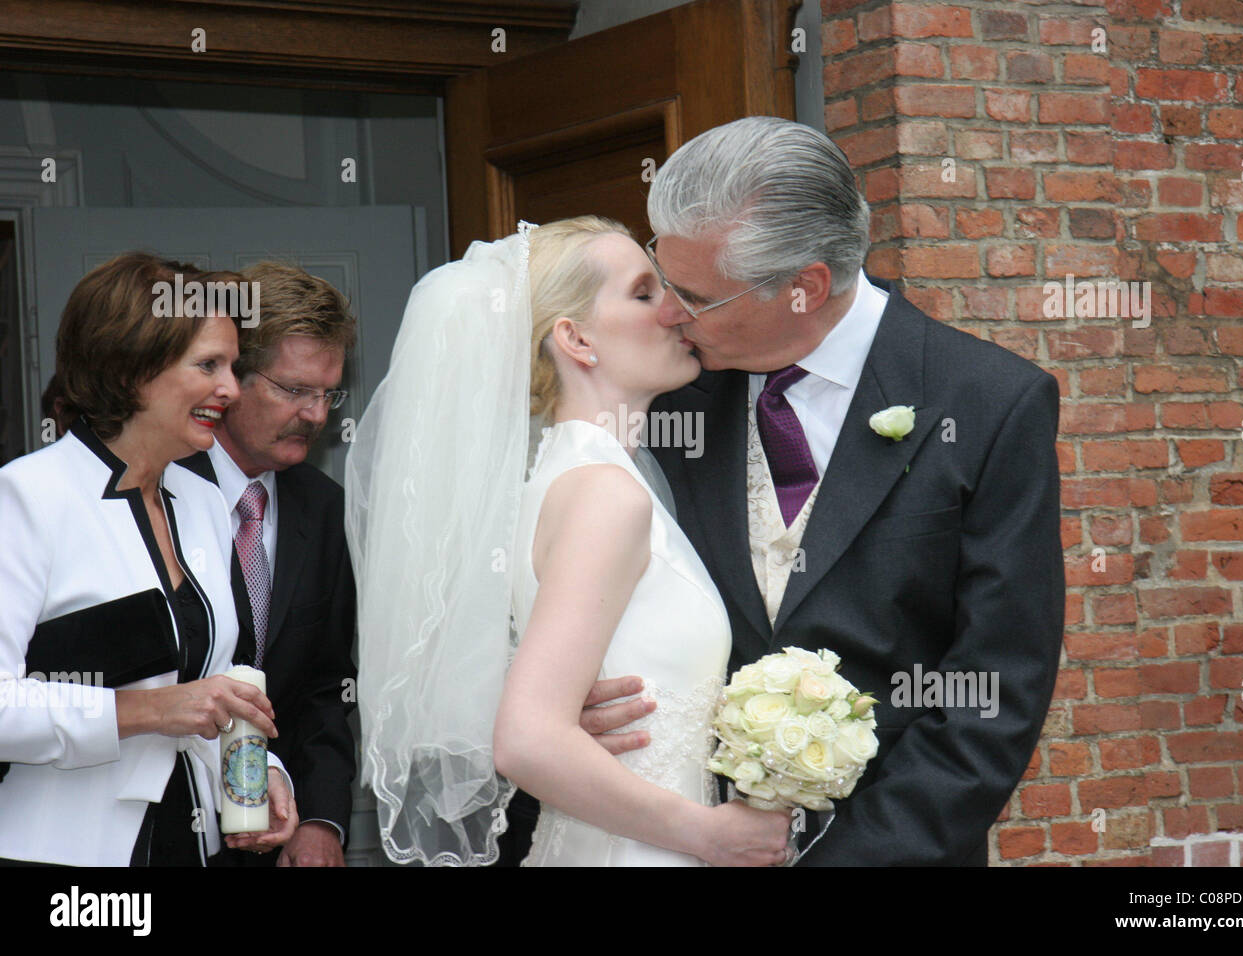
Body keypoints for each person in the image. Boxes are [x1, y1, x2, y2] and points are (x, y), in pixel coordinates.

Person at [584, 115, 1061, 865]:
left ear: (804, 287)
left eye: (696, 294)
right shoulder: (663, 395)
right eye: (661, 275)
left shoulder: (989, 403)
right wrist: (576, 700)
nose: (670, 312)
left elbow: (995, 686)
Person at [346, 217, 791, 866]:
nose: (675, 311)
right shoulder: (604, 494)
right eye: (644, 294)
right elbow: (527, 740)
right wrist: (706, 833)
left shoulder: (565, 474)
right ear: (577, 338)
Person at [0, 252, 298, 866]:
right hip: (66, 858)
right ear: (133, 366)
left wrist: (260, 769)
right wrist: (149, 711)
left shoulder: (204, 501)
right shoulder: (26, 498)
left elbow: (213, 682)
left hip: (200, 848)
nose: (232, 390)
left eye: (233, 367)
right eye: (208, 365)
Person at [178, 261, 358, 866]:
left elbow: (325, 686)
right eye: (293, 389)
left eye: (328, 394)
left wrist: (324, 822)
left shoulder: (324, 507)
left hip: (278, 840)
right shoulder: (158, 493)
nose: (317, 415)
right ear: (230, 379)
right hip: (164, 833)